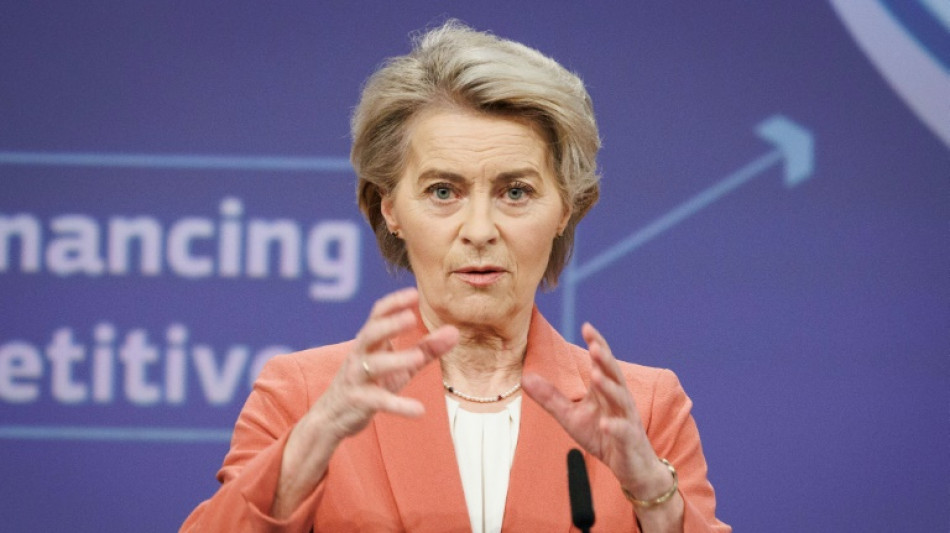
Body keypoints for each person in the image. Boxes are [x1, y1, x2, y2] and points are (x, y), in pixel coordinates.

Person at [181, 20, 730, 532]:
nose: (480, 230)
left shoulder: (645, 408)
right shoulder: (303, 395)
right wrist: (314, 441)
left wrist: (651, 493)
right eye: (443, 191)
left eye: (516, 192)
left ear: (566, 208)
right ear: (390, 209)